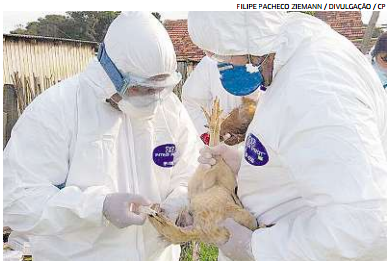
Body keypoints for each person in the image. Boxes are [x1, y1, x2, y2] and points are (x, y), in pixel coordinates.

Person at [3, 12, 202, 261]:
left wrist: (180, 201)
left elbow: (191, 171)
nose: (152, 99)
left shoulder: (169, 107)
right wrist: (99, 207)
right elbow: (17, 200)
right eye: (141, 88)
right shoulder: (57, 108)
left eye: (161, 88)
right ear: (109, 72)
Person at [189, 11, 387, 261]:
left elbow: (363, 227)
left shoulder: (317, 87)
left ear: (245, 39)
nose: (217, 61)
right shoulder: (291, 53)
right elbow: (310, 158)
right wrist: (245, 165)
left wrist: (257, 248)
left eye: (220, 54)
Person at [181, 56, 260, 144]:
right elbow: (192, 102)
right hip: (218, 143)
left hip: (261, 144)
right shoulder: (211, 62)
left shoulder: (272, 59)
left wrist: (247, 132)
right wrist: (209, 136)